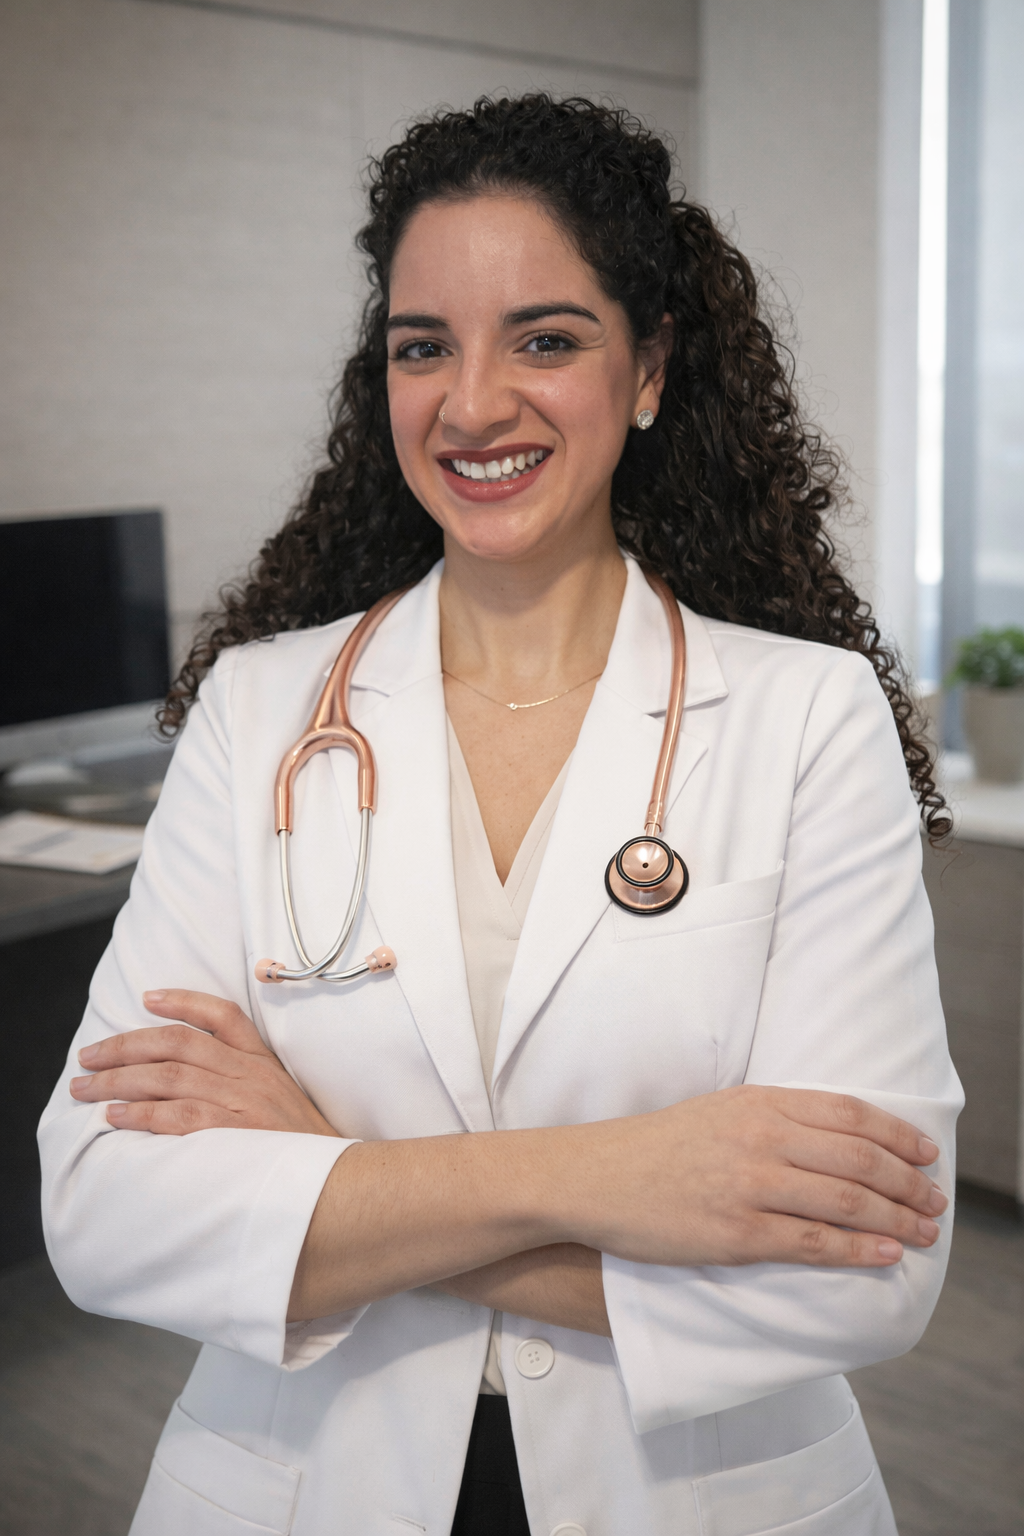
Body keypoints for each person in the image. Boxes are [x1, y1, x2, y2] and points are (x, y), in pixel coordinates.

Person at [40, 96, 962, 1536]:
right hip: (301, 1486)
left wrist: (324, 1174)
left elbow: (868, 1266)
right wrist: (628, 1178)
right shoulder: (261, 713)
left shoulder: (806, 717)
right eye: (425, 348)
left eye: (546, 338)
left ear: (649, 368)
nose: (473, 404)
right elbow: (104, 1209)